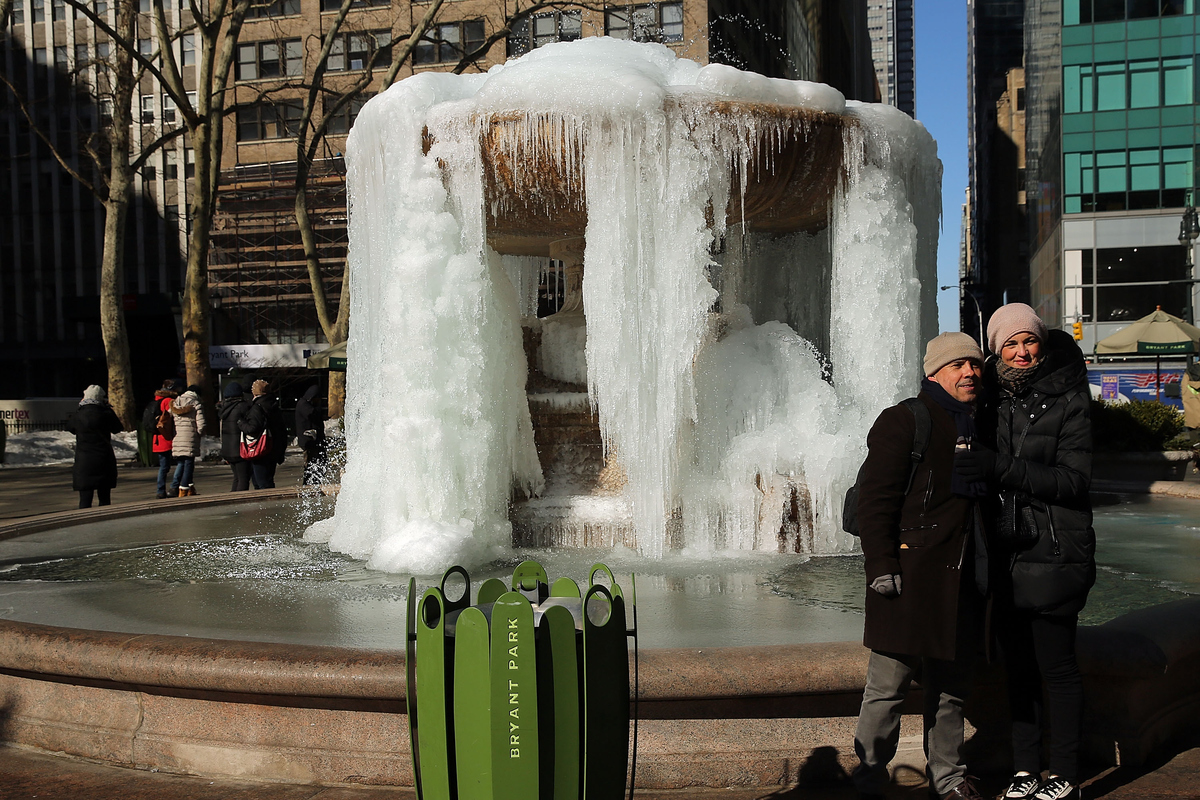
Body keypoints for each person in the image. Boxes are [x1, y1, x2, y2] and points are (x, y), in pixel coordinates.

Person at [957, 304, 1095, 800]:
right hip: (1003, 552)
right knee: (1017, 670)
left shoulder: (1069, 397)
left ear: (1041, 341)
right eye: (1009, 344)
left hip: (1054, 548)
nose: (1021, 352)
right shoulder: (986, 397)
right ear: (995, 348)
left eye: (1028, 341)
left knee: (1056, 668)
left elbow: (1075, 481)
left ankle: (1065, 774)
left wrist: (1000, 468)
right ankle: (1023, 770)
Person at [852, 332, 988, 800]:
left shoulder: (980, 423)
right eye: (957, 366)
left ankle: (948, 778)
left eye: (975, 365)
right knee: (887, 689)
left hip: (962, 578)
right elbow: (876, 502)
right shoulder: (905, 420)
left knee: (950, 691)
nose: (969, 373)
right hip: (908, 578)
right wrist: (881, 567)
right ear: (933, 373)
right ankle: (869, 777)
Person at [67, 385, 124, 508]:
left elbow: (70, 427)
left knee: (85, 500)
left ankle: (84, 523)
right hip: (103, 458)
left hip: (84, 460)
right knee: (104, 498)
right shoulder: (105, 413)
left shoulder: (79, 414)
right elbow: (118, 428)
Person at [238, 379, 288, 489]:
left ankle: (267, 504)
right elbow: (282, 430)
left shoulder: (257, 407)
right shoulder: (273, 405)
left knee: (261, 482)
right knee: (268, 479)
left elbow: (252, 428)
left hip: (261, 449)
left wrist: (241, 423)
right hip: (273, 448)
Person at [168, 384, 206, 497]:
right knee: (189, 463)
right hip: (190, 436)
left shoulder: (175, 402)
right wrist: (199, 434)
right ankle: (183, 488)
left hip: (178, 436)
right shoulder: (196, 404)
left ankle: (176, 487)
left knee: (181, 462)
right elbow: (201, 424)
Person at [218, 381, 253, 491]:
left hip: (228, 448)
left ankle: (232, 501)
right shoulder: (242, 406)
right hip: (239, 448)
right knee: (243, 478)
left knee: (237, 477)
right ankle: (239, 504)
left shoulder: (224, 408)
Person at [149, 380, 178, 498]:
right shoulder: (168, 401)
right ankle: (165, 489)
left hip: (157, 437)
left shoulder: (157, 399)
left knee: (163, 465)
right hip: (166, 437)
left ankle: (160, 490)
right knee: (167, 466)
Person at [294, 384, 327, 486]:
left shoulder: (306, 404)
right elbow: (312, 414)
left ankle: (315, 482)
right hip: (309, 441)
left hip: (314, 441)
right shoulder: (304, 405)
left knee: (318, 464)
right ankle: (310, 485)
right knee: (311, 465)